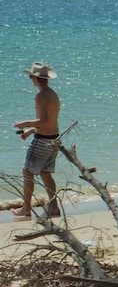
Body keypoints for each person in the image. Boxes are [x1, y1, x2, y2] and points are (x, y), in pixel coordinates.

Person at [12, 62, 61, 218]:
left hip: (42, 140)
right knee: (46, 173)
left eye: (30, 76)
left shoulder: (41, 96)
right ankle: (54, 208)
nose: (30, 79)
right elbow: (50, 122)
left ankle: (26, 209)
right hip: (54, 138)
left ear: (35, 77)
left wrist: (24, 123)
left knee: (27, 172)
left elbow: (44, 121)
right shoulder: (52, 94)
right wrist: (31, 130)